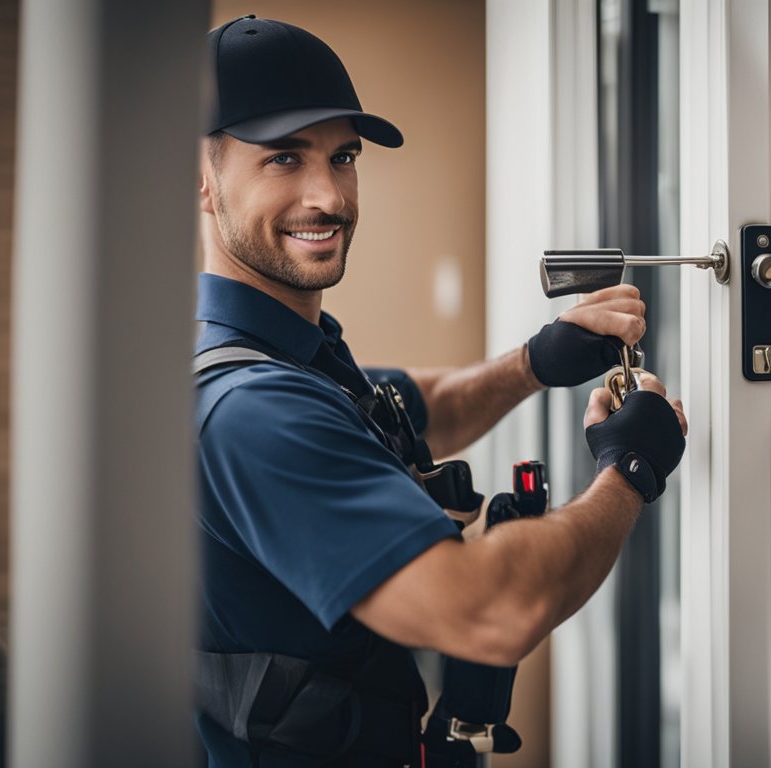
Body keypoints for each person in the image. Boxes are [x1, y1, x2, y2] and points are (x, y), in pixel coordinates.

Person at [194, 16, 687, 767]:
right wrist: (629, 471)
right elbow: (493, 611)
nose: (327, 196)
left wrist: (533, 362)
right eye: (283, 159)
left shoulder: (284, 354)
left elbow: (414, 405)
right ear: (199, 176)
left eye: (343, 156)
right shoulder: (254, 409)